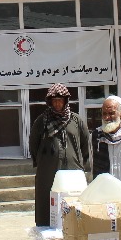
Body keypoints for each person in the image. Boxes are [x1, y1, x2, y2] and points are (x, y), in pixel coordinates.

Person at [29, 83, 92, 227]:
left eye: (60, 100)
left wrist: (80, 161)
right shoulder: (42, 121)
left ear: (65, 101)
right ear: (50, 102)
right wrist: (44, 161)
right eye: (55, 100)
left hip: (72, 170)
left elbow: (85, 144)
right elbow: (34, 144)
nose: (57, 104)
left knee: (74, 202)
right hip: (48, 171)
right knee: (47, 202)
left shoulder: (76, 120)